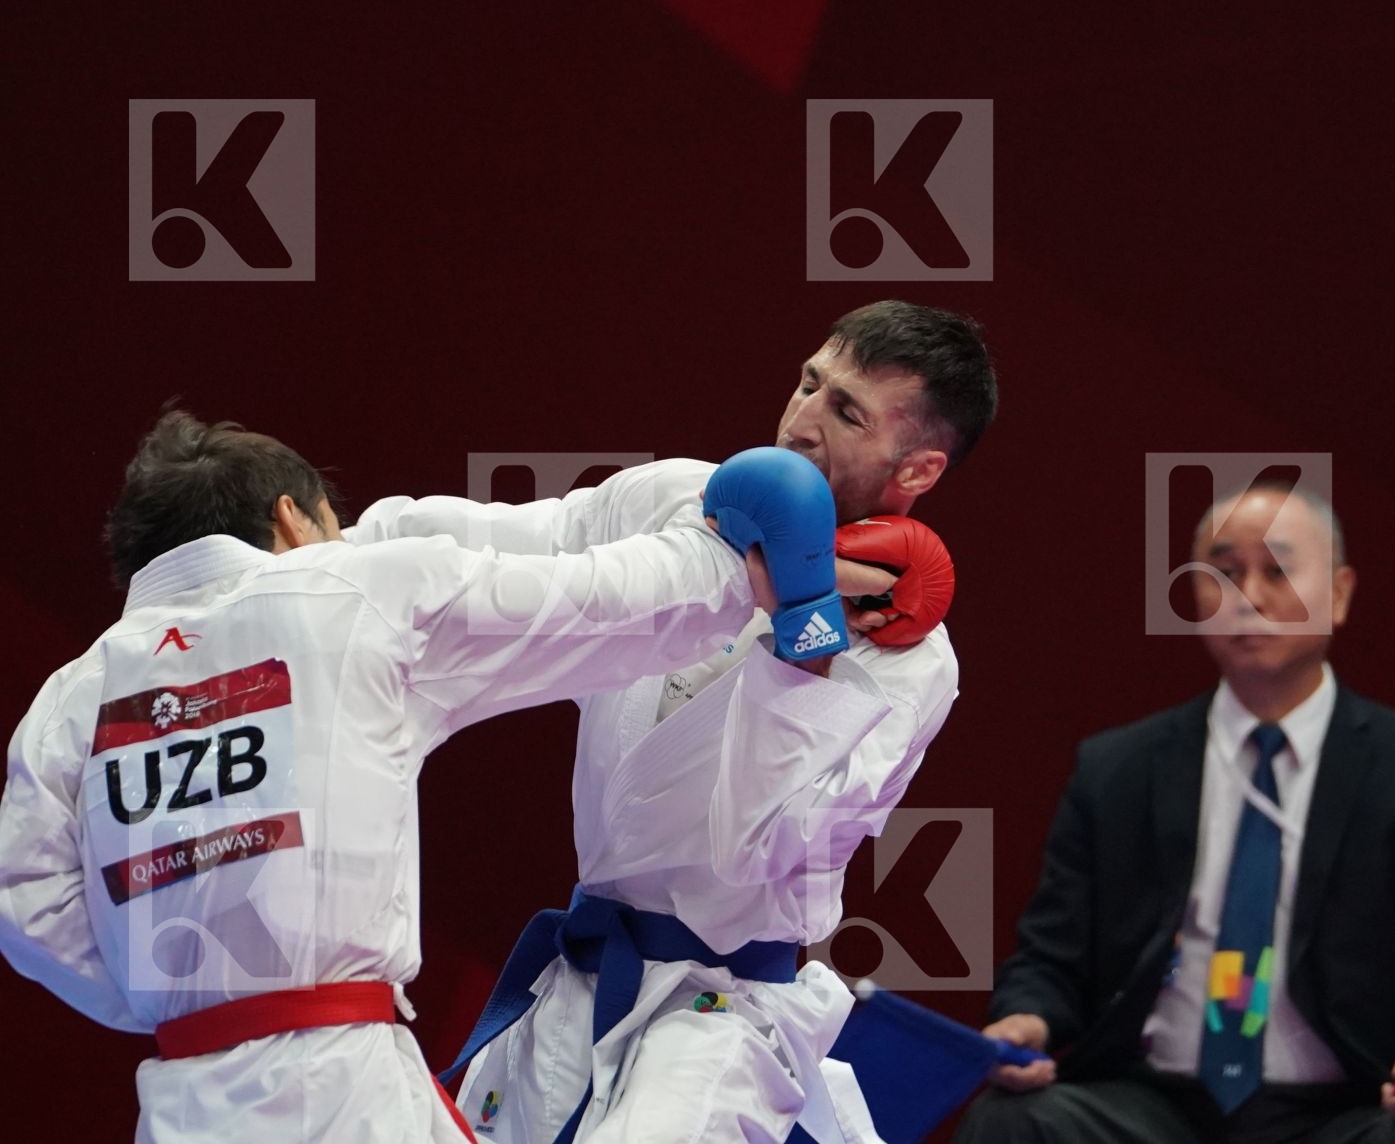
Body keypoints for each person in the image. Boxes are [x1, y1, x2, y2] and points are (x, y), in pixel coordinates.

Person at [0, 411, 856, 1144]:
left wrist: (182, 990)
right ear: (293, 520)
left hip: (182, 1097)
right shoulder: (344, 589)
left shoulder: (71, 697)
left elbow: (29, 909)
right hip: (345, 1094)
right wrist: (746, 553)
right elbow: (596, 603)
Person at [346, 300, 998, 1143]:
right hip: (577, 979)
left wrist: (807, 641)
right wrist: (342, 547)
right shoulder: (681, 505)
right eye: (810, 382)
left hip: (721, 1018)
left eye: (846, 413)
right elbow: (516, 545)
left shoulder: (908, 659)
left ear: (916, 471)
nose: (802, 421)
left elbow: (755, 846)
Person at [955, 480, 1395, 1144]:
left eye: (1277, 570)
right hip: (1152, 1106)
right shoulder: (1120, 769)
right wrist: (1027, 1020)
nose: (1248, 596)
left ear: (1339, 593)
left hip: (1338, 1110)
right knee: (1012, 1122)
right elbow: (1051, 961)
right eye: (1223, 573)